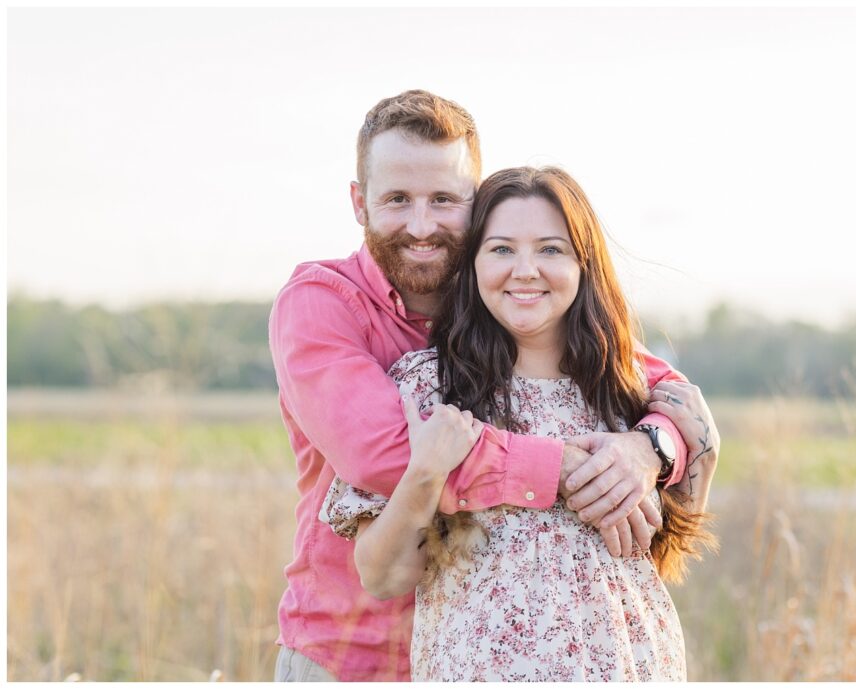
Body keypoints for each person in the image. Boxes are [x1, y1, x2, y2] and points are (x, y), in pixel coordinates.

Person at [268, 90, 720, 681]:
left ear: (474, 203)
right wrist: (574, 468)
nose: (422, 225)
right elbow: (389, 456)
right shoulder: (324, 307)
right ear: (359, 202)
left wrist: (649, 448)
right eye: (397, 200)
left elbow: (654, 382)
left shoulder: (511, 308)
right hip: (355, 654)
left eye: (444, 200)